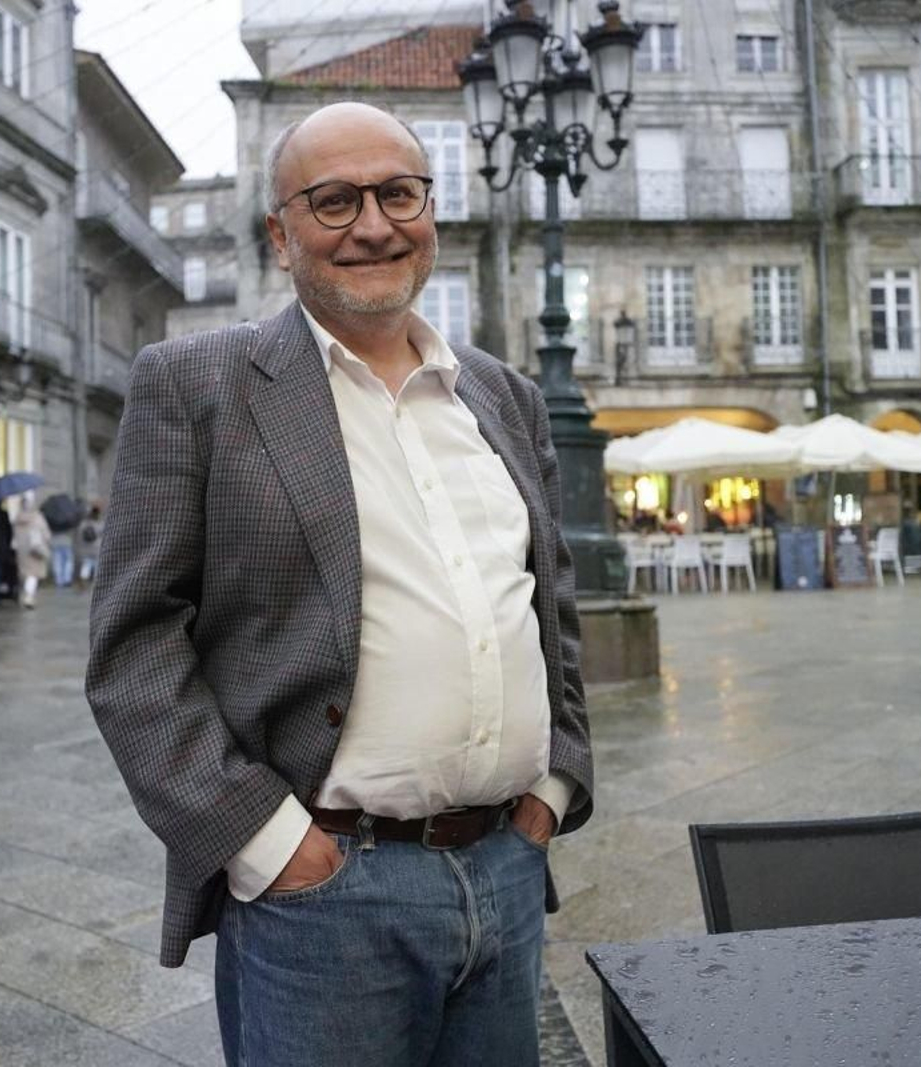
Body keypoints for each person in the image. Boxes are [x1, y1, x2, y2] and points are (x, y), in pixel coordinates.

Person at [86, 102, 591, 1067]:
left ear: (430, 211)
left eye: (399, 193)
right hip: (325, 894)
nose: (373, 224)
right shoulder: (198, 386)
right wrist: (268, 843)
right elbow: (133, 649)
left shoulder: (504, 396)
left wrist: (556, 785)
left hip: (507, 866)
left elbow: (550, 602)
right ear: (280, 234)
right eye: (333, 201)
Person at [10, 491, 50, 609]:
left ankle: (25, 594)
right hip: (35, 549)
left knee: (25, 573)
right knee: (33, 574)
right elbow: (46, 534)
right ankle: (29, 596)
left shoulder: (17, 518)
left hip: (22, 550)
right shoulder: (37, 517)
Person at [74, 502, 103, 587]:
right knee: (96, 564)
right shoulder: (99, 523)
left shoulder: (83, 523)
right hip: (97, 547)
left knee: (86, 564)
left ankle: (84, 577)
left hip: (85, 547)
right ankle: (96, 580)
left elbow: (79, 535)